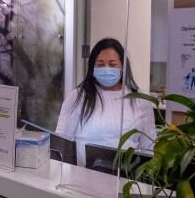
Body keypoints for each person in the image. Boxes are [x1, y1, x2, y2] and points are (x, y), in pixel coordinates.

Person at [55, 38, 157, 166]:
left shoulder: (139, 100)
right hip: (83, 178)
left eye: (113, 64)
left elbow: (150, 146)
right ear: (92, 66)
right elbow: (62, 144)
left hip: (126, 180)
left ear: (123, 66)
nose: (106, 69)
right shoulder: (78, 97)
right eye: (100, 64)